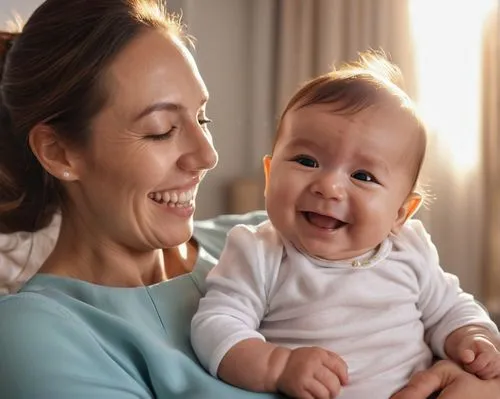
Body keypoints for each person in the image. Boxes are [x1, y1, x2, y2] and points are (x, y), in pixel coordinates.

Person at [0, 0, 498, 398]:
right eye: (161, 130)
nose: (207, 155)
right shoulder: (37, 338)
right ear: (59, 150)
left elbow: (445, 310)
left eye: (203, 119)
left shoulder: (289, 232)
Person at [190, 54, 500, 399]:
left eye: (363, 176)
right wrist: (277, 366)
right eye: (306, 161)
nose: (329, 186)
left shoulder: (409, 247)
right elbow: (215, 326)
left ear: (400, 213)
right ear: (269, 174)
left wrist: (472, 335)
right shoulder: (260, 251)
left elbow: (450, 307)